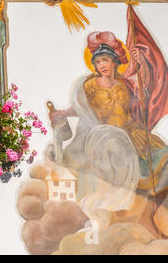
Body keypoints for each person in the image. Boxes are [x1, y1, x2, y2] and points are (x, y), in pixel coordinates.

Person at [49, 31, 167, 230]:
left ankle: (149, 213)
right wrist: (62, 113)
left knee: (164, 160)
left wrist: (143, 64)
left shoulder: (126, 84)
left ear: (114, 62)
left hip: (134, 136)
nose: (101, 65)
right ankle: (116, 213)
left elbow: (146, 92)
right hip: (105, 138)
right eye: (98, 62)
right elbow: (80, 107)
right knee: (113, 158)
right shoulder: (90, 85)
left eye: (105, 60)